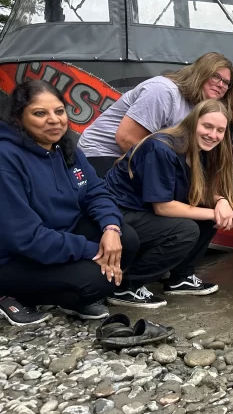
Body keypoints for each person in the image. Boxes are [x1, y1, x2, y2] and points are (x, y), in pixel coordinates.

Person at [0, 80, 139, 324]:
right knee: (97, 281)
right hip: (15, 257)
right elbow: (26, 238)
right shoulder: (7, 158)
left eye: (59, 111)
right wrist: (94, 250)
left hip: (59, 236)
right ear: (18, 118)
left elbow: (97, 192)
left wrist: (111, 229)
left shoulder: (64, 147)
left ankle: (69, 295)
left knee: (126, 240)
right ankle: (9, 295)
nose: (54, 120)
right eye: (40, 113)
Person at [104, 100, 233, 308]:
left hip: (144, 210)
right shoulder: (161, 147)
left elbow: (201, 187)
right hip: (118, 210)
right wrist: (215, 213)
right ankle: (126, 285)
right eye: (207, 126)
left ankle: (181, 278)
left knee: (209, 217)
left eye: (220, 130)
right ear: (193, 122)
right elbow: (163, 206)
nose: (213, 135)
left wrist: (220, 201)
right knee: (186, 229)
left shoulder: (201, 148)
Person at [78, 52, 233, 177]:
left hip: (136, 158)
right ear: (200, 73)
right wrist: (165, 173)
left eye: (226, 82)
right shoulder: (164, 91)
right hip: (101, 154)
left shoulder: (200, 107)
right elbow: (126, 139)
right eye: (215, 76)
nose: (221, 85)